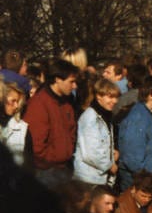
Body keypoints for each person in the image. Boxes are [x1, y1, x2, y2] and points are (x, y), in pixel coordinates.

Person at [22, 58, 79, 187]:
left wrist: (67, 152)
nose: (75, 86)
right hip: (47, 172)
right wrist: (52, 161)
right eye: (71, 82)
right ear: (58, 79)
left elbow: (71, 131)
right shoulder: (39, 104)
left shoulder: (67, 102)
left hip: (63, 168)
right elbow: (36, 146)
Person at [73, 78, 121, 186]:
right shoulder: (91, 118)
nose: (115, 101)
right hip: (89, 178)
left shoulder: (106, 116)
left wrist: (112, 153)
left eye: (116, 97)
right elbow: (91, 153)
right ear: (99, 96)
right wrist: (109, 165)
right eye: (110, 97)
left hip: (100, 177)